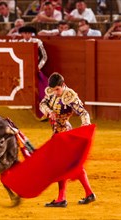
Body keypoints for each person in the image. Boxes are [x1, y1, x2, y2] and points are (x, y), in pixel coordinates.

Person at [39, 72, 95, 207]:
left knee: (60, 166)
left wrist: (85, 126)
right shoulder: (52, 91)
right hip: (58, 133)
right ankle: (89, 193)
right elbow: (42, 103)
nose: (55, 93)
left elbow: (83, 113)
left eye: (57, 89)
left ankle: (61, 198)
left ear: (63, 85)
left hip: (63, 134)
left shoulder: (69, 96)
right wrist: (49, 111)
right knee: (73, 165)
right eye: (53, 90)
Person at [18, 26, 48, 118]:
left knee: (39, 89)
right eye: (25, 33)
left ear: (32, 34)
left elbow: (44, 57)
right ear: (22, 34)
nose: (27, 35)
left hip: (35, 69)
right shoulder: (19, 43)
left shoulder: (37, 42)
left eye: (29, 33)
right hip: (23, 70)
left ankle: (41, 110)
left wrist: (38, 67)